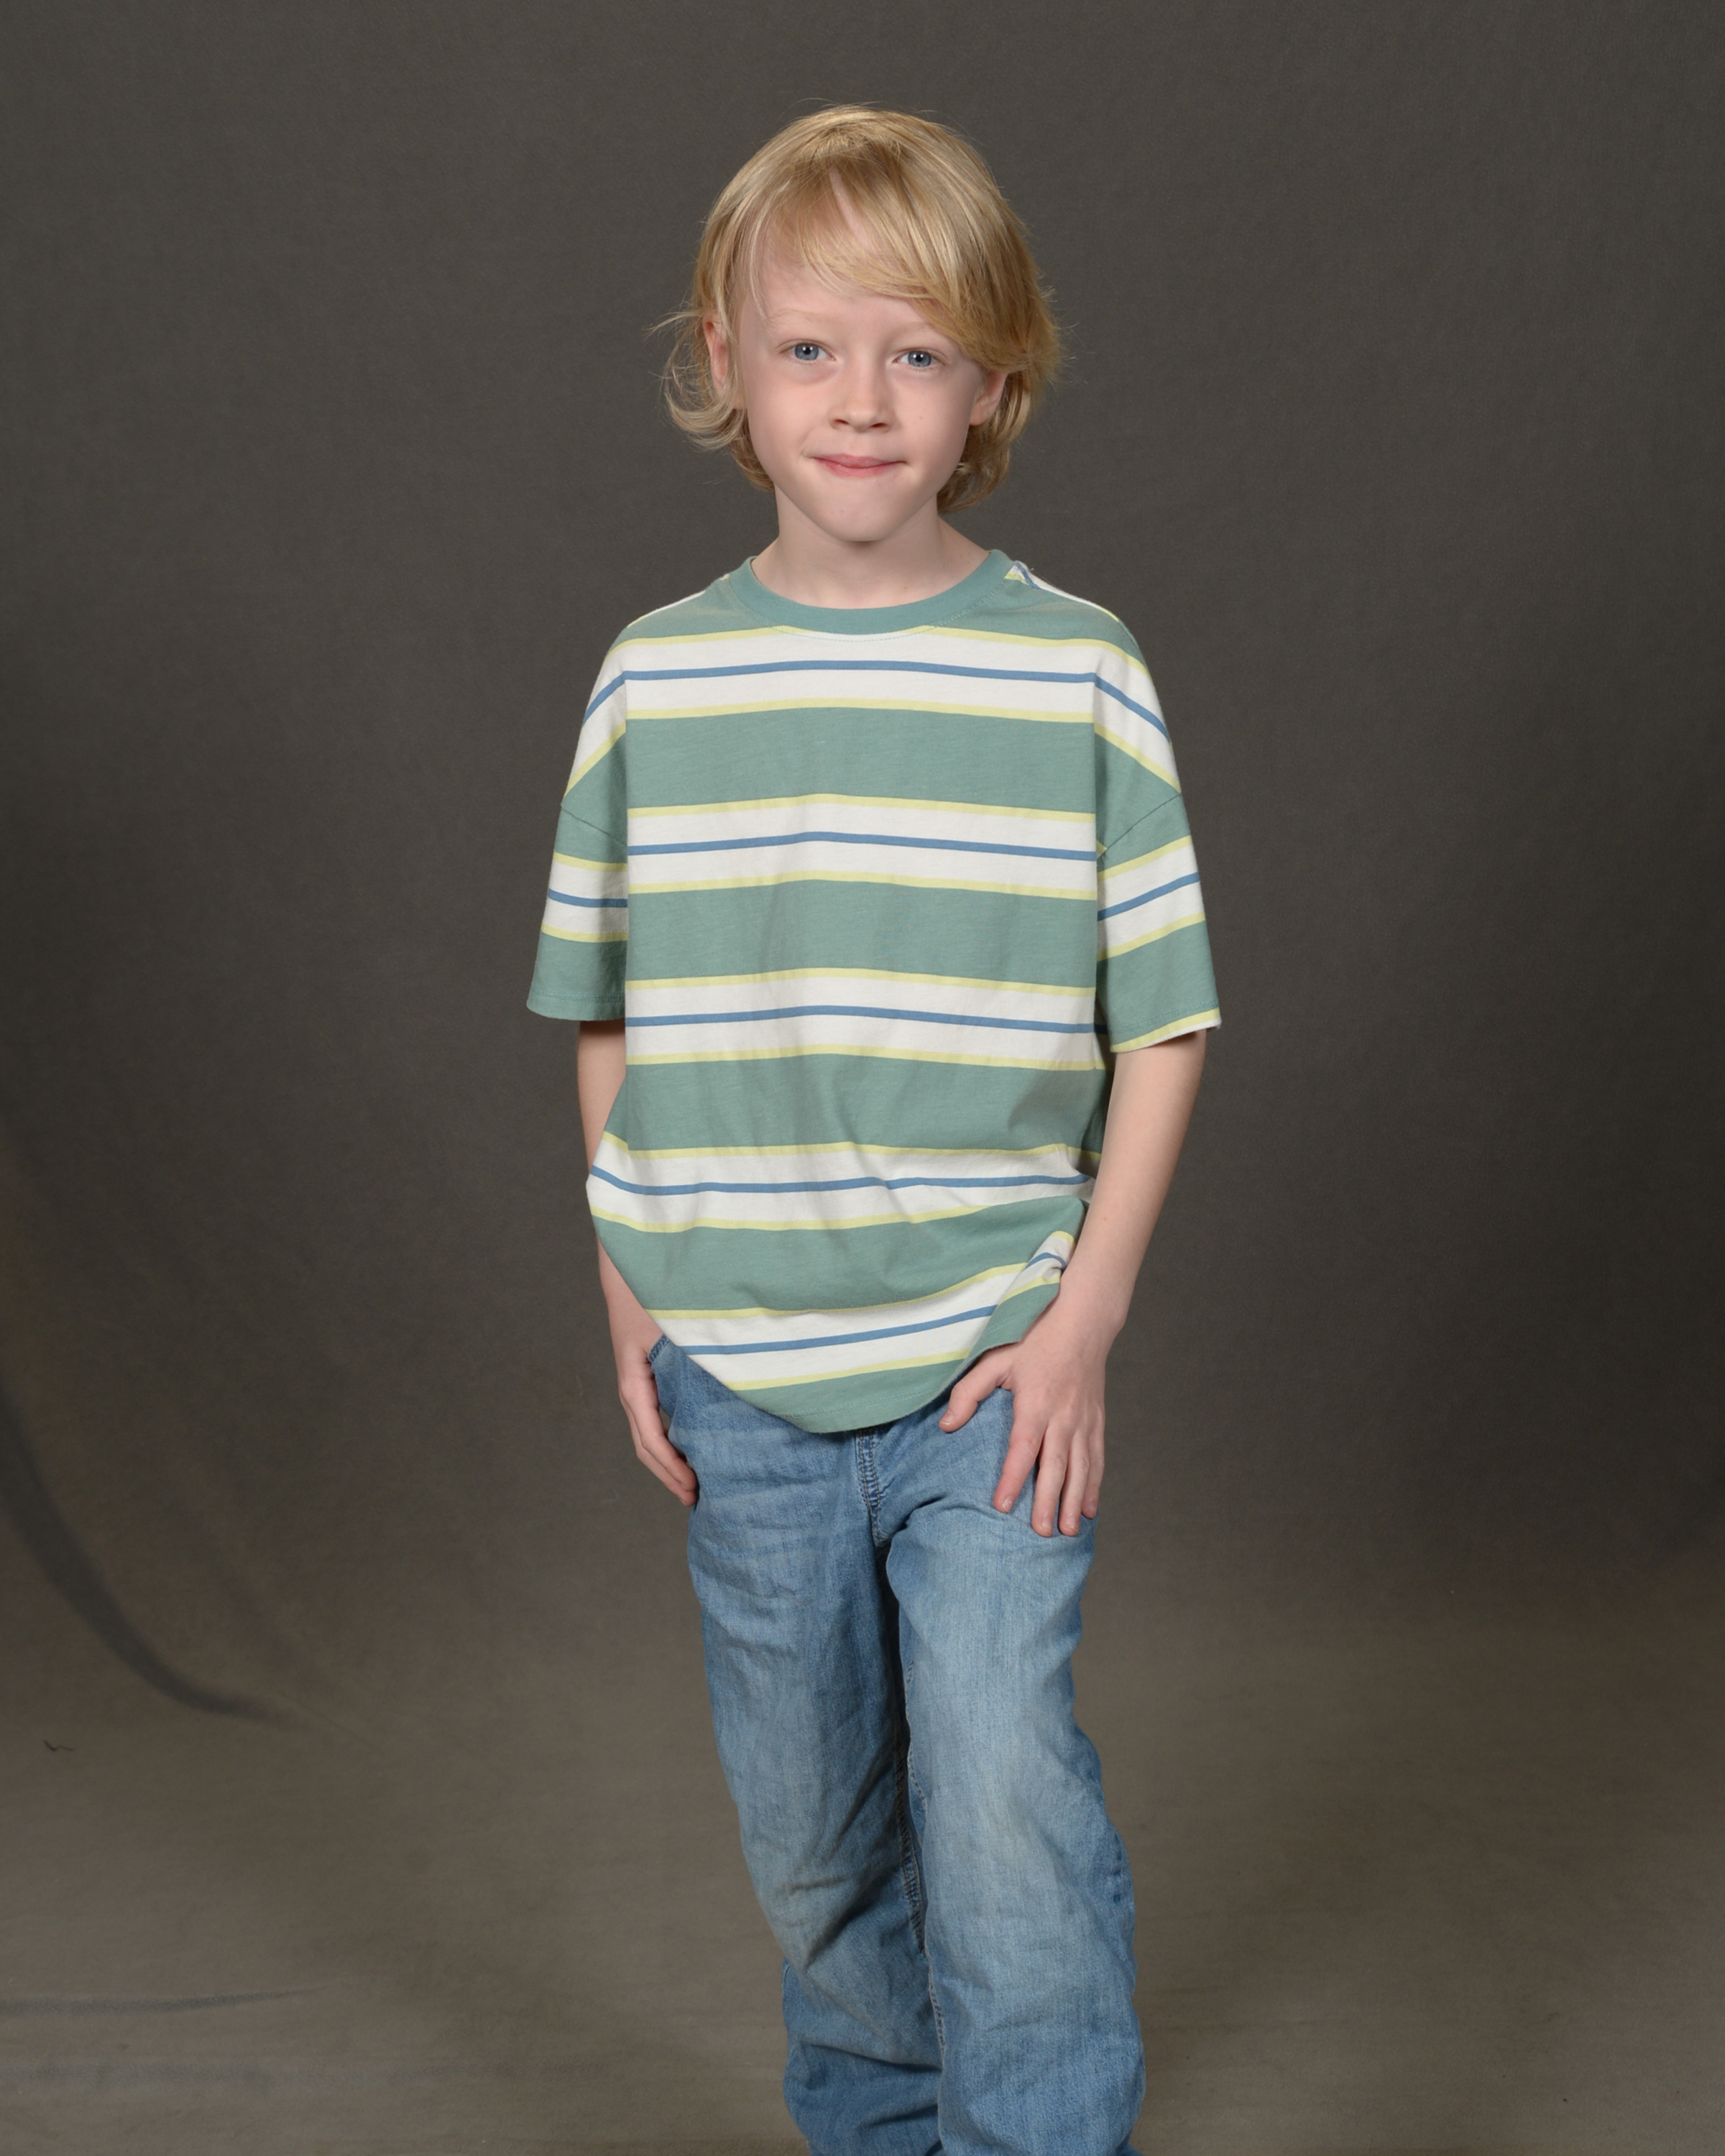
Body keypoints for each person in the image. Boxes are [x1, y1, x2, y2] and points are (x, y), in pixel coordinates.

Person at [528, 105, 1218, 2156]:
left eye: (917, 353)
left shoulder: (1077, 673)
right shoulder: (657, 684)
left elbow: (1167, 1023)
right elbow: (608, 1011)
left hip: (994, 1364)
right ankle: (884, 2129)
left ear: (992, 384)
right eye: (811, 347)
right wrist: (632, 1290)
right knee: (815, 1837)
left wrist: (1083, 1322)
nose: (860, 399)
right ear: (726, 366)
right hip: (741, 1374)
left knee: (1001, 1796)